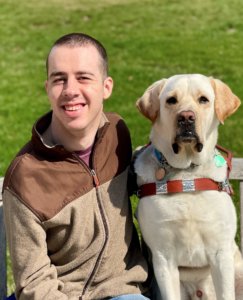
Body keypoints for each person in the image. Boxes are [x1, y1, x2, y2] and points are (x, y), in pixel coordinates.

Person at [2, 33, 149, 300]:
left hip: (123, 290)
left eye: (83, 77)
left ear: (106, 86)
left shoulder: (117, 135)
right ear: (47, 88)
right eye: (59, 79)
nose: (70, 90)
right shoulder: (26, 177)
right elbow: (34, 283)